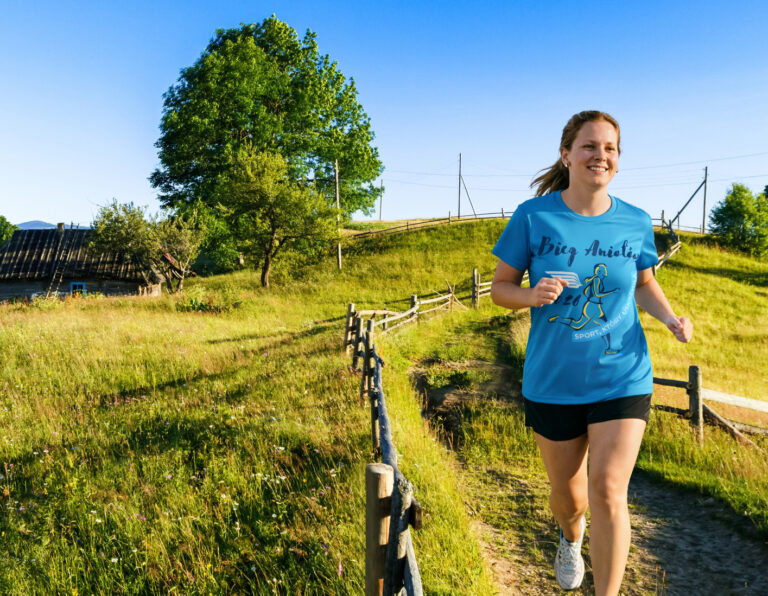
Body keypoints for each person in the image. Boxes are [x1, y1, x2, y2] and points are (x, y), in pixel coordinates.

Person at [489, 110, 693, 595]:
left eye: (610, 148)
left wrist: (669, 318)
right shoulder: (533, 216)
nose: (600, 155)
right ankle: (569, 538)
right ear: (567, 154)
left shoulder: (635, 222)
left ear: (618, 161)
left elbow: (644, 283)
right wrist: (531, 294)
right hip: (553, 380)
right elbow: (499, 288)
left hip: (623, 375)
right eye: (589, 146)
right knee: (571, 498)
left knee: (608, 490)